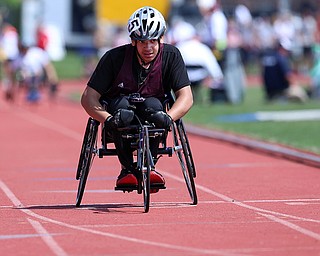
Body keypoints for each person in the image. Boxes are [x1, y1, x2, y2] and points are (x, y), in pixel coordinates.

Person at [81, 6, 193, 191]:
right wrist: (107, 119)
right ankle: (127, 170)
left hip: (153, 107)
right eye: (142, 42)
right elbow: (88, 98)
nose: (148, 47)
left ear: (161, 39)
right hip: (120, 107)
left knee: (154, 107)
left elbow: (186, 96)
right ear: (133, 41)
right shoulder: (113, 58)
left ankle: (150, 166)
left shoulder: (172, 56)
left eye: (152, 41)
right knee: (123, 112)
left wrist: (169, 117)